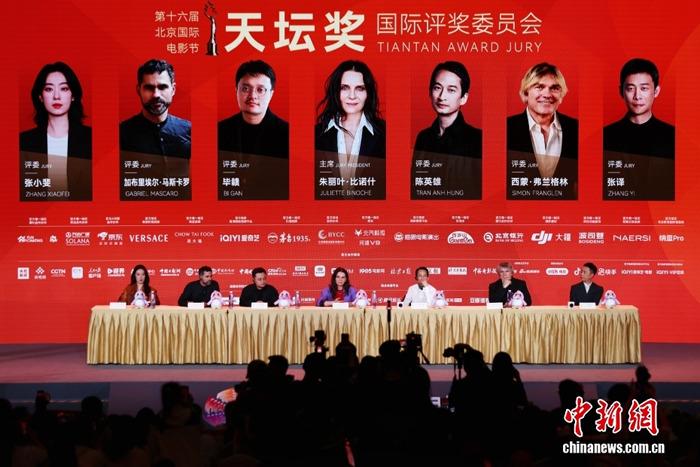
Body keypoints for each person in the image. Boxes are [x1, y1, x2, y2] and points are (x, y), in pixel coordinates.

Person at [603, 58, 674, 200]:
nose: (637, 96)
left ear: (656, 91)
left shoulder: (673, 136)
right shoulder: (605, 136)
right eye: (630, 88)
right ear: (621, 91)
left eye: (644, 88)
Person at [19, 62, 92, 200]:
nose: (56, 96)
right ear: (40, 97)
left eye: (64, 88)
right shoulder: (23, 142)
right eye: (49, 89)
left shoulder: (92, 139)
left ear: (73, 95)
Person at [315, 60, 386, 182]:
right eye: (344, 88)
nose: (352, 96)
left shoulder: (386, 133)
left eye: (360, 88)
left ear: (368, 93)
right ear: (336, 91)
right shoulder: (316, 134)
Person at [507, 62, 578, 180]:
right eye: (539, 87)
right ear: (526, 93)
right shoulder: (504, 129)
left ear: (561, 95)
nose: (547, 94)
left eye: (554, 88)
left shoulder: (577, 129)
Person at [120, 59, 191, 158]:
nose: (156, 95)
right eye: (149, 88)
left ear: (173, 89)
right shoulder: (121, 134)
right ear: (139, 90)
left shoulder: (189, 130)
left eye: (162, 87)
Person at [218, 60, 288, 158]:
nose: (252, 96)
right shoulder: (219, 131)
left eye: (260, 90)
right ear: (236, 91)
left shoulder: (288, 134)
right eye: (245, 89)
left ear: (271, 94)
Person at [414, 61, 482, 159]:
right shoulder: (423, 138)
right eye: (437, 88)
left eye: (451, 90)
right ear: (430, 92)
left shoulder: (478, 139)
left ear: (463, 98)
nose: (442, 97)